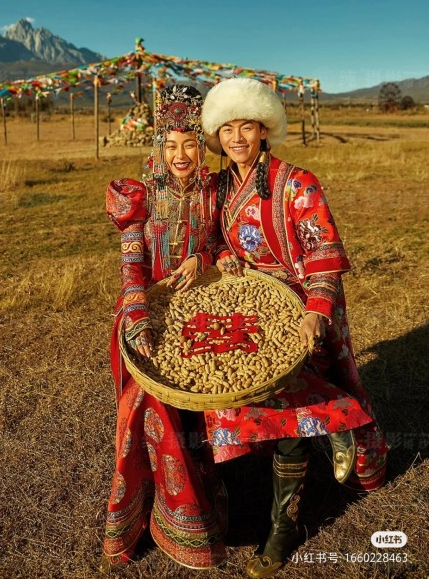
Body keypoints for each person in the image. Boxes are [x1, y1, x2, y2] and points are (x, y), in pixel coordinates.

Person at [200, 78, 388, 578]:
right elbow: (217, 241)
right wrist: (226, 260)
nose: (237, 137)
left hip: (301, 305)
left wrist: (314, 311)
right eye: (227, 128)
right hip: (252, 306)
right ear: (216, 135)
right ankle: (327, 420)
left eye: (247, 126)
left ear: (265, 129)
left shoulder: (299, 182)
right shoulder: (220, 187)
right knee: (234, 385)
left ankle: (285, 525)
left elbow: (323, 255)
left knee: (285, 403)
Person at [100, 85, 227, 571]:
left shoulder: (215, 193)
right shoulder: (139, 195)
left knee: (199, 406)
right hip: (145, 312)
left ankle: (204, 502)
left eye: (190, 144)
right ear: (158, 147)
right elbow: (132, 268)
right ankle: (167, 517)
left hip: (198, 312)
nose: (180, 155)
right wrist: (137, 321)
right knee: (152, 407)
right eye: (171, 144)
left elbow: (226, 247)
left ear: (202, 145)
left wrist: (203, 255)